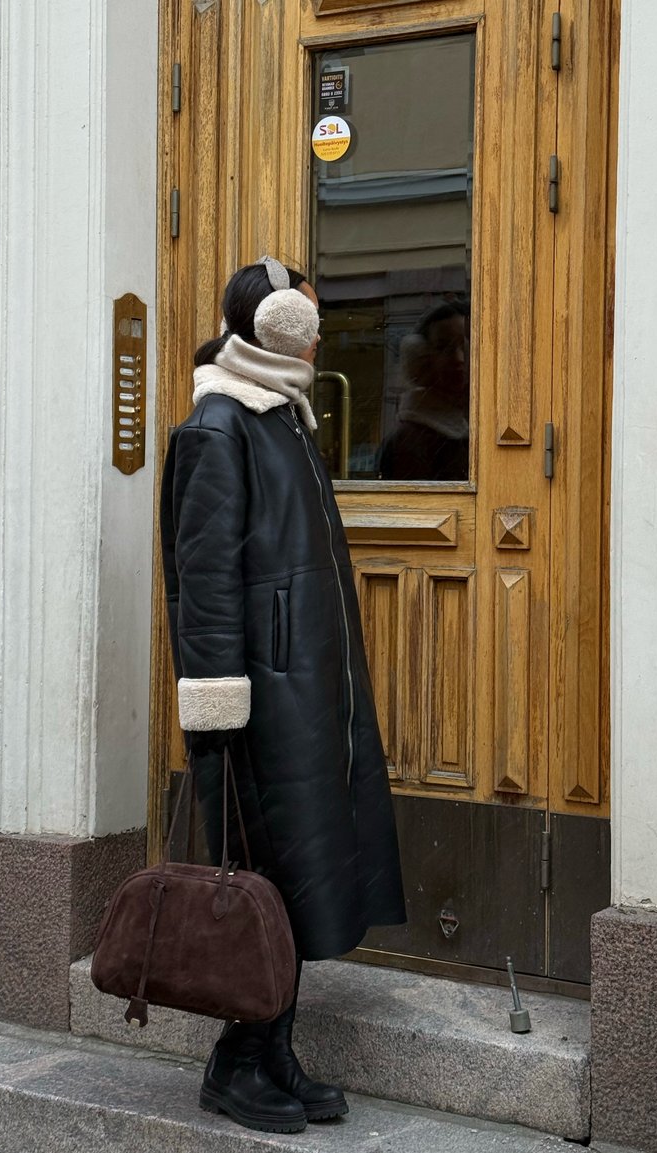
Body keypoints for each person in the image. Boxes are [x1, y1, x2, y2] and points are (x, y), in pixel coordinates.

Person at [160, 256, 406, 1134]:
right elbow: (208, 580)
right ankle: (238, 1060)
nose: (314, 319)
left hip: (302, 696)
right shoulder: (219, 424)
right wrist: (218, 711)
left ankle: (275, 1052)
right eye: (302, 306)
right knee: (260, 877)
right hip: (258, 707)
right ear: (269, 324)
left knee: (296, 878)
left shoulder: (282, 417)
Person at [379, 300, 470, 480]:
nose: (458, 358)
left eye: (465, 345)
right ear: (421, 358)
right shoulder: (412, 440)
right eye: (443, 347)